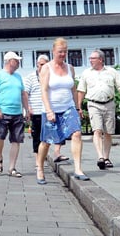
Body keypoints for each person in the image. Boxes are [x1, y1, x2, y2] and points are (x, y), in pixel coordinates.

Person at [37, 38, 88, 184]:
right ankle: (40, 168)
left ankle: (78, 168)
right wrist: (49, 110)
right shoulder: (46, 68)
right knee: (46, 142)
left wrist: (77, 107)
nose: (63, 54)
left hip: (68, 107)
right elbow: (44, 90)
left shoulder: (70, 68)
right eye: (60, 52)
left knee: (77, 133)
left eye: (65, 52)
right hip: (51, 108)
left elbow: (73, 88)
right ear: (53, 51)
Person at [77, 49, 120, 170]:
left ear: (100, 59)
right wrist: (79, 106)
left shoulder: (112, 72)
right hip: (93, 104)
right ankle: (100, 157)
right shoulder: (86, 73)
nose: (90, 60)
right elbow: (81, 90)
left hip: (109, 104)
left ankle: (106, 157)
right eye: (90, 58)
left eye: (93, 58)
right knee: (97, 130)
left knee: (108, 132)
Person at [0, 51, 31, 178]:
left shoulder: (18, 77)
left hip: (17, 113)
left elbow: (23, 94)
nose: (19, 62)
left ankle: (12, 168)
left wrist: (27, 110)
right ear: (9, 61)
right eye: (16, 60)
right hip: (2, 112)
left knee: (16, 140)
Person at [24, 54, 68, 170]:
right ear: (37, 64)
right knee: (38, 136)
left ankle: (57, 153)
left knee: (59, 132)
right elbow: (25, 93)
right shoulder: (31, 77)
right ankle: (38, 161)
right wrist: (28, 108)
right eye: (41, 64)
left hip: (53, 109)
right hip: (38, 110)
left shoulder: (53, 75)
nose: (43, 67)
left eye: (45, 64)